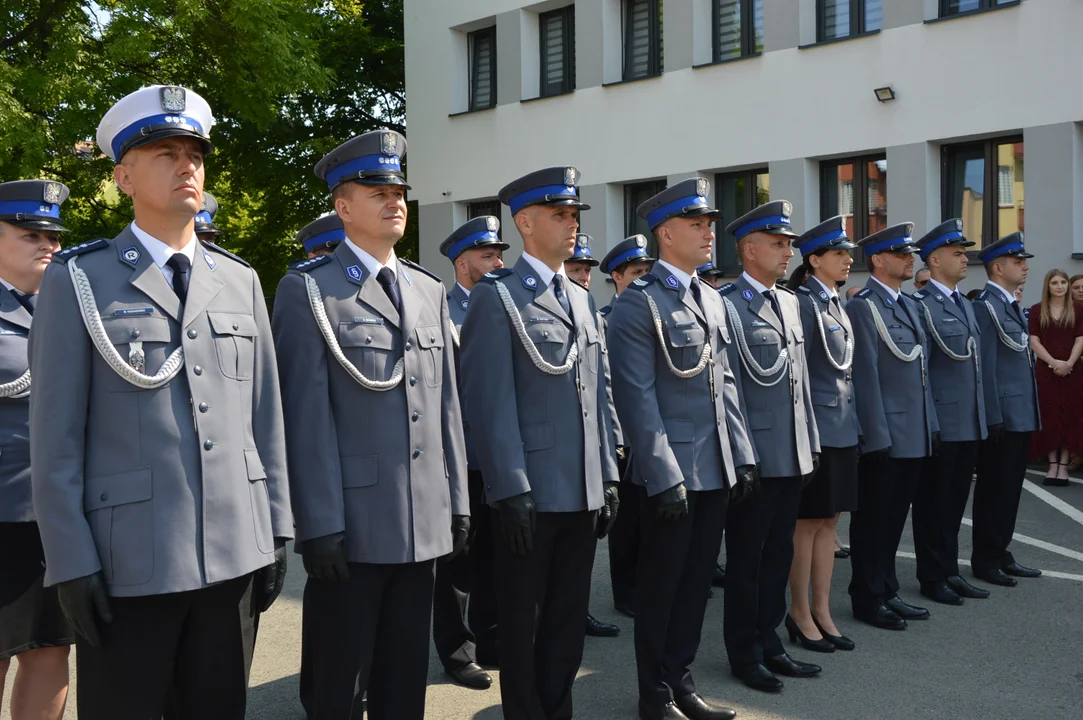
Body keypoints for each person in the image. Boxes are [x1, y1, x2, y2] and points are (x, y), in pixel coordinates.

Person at [29, 85, 290, 720]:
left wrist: (277, 526)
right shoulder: (80, 279)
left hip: (234, 553)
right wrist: (70, 559)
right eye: (163, 152)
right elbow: (55, 436)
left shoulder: (239, 278)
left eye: (195, 154)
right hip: (129, 563)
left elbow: (265, 416)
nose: (186, 166)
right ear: (123, 176)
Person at [273, 129, 468, 719]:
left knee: (403, 682)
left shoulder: (427, 289)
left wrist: (457, 500)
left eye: (399, 189)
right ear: (342, 205)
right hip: (351, 528)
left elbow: (447, 409)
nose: (394, 199)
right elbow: (303, 420)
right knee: (338, 680)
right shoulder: (308, 290)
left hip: (421, 522)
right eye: (376, 188)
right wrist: (319, 524)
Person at [459, 166, 620, 720]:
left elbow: (597, 396)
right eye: (560, 214)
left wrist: (609, 474)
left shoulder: (580, 299)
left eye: (574, 215)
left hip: (581, 488)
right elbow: (489, 403)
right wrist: (508, 488)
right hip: (529, 492)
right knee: (524, 624)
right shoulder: (497, 297)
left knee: (567, 619)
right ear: (525, 223)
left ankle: (559, 711)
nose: (572, 225)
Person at [609, 178, 755, 720]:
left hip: (714, 466)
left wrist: (741, 455)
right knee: (662, 587)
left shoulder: (711, 300)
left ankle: (682, 680)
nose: (708, 234)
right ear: (666, 234)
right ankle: (655, 694)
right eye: (697, 225)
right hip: (671, 473)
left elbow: (727, 384)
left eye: (710, 225)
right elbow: (637, 398)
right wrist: (663, 475)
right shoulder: (639, 303)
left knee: (696, 587)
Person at [718, 200, 822, 692]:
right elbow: (728, 388)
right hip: (755, 459)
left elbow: (799, 383)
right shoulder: (727, 303)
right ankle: (744, 652)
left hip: (792, 454)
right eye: (778, 244)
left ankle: (771, 641)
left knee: (778, 554)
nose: (787, 253)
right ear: (748, 248)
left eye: (788, 245)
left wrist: (811, 443)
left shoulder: (790, 301)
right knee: (747, 561)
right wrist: (741, 457)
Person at [0, 181, 74, 720]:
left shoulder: (71, 308)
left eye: (53, 235)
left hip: (59, 514)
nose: (47, 244)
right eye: (30, 234)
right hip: (3, 515)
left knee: (51, 648)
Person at [846, 223, 938, 631]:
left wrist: (929, 422)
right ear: (878, 260)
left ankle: (887, 589)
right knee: (874, 521)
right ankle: (867, 597)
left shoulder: (908, 304)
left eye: (910, 254)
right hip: (886, 435)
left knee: (895, 518)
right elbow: (865, 376)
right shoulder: (863, 306)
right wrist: (876, 435)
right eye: (901, 254)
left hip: (912, 430)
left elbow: (921, 371)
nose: (910, 259)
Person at [433, 215, 508, 688]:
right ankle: (458, 650)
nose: (499, 261)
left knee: (495, 555)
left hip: (496, 456)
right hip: (458, 458)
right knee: (456, 560)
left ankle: (490, 635)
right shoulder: (443, 310)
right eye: (488, 255)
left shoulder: (502, 307)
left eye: (500, 253)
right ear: (463, 262)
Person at [783, 215, 859, 654]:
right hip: (819, 429)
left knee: (830, 522)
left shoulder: (833, 301)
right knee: (807, 523)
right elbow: (802, 376)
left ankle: (822, 610)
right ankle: (799, 610)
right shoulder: (805, 303)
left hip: (843, 426)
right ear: (814, 260)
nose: (848, 260)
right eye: (838, 253)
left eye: (847, 253)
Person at [909, 220, 991, 605]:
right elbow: (921, 370)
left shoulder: (965, 304)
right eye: (958, 253)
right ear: (936, 260)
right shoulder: (922, 306)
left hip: (968, 420)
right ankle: (932, 575)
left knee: (955, 502)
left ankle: (950, 570)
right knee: (934, 504)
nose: (965, 258)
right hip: (943, 420)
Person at [971, 233, 1042, 586]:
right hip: (1002, 415)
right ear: (998, 268)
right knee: (994, 489)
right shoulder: (986, 306)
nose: (1025, 267)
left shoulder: (1009, 304)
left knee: (1010, 489)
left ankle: (1000, 550)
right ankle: (986, 557)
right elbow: (983, 366)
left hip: (1019, 412)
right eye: (1018, 262)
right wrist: (993, 416)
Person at [599, 235, 654, 620]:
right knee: (627, 521)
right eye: (636, 272)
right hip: (622, 435)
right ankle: (627, 591)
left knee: (653, 515)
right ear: (617, 276)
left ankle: (651, 581)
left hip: (650, 433)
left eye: (646, 272)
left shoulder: (654, 314)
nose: (642, 278)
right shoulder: (604, 319)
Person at [1027, 269, 1083, 486]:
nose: (1060, 286)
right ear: (1047, 286)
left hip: (1072, 371)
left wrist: (1068, 363)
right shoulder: (1036, 310)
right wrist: (1053, 363)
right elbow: (1034, 341)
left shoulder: (1078, 310)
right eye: (1054, 283)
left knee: (1070, 415)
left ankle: (1063, 465)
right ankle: (1052, 465)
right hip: (1046, 371)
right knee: (1049, 416)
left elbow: (1080, 340)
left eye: (1063, 282)